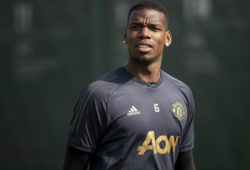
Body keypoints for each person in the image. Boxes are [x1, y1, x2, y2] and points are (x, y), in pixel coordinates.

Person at [63, 0, 196, 170]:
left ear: (167, 38)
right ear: (125, 36)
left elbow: (186, 164)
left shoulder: (182, 93)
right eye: (135, 27)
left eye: (154, 28)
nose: (144, 33)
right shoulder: (98, 95)